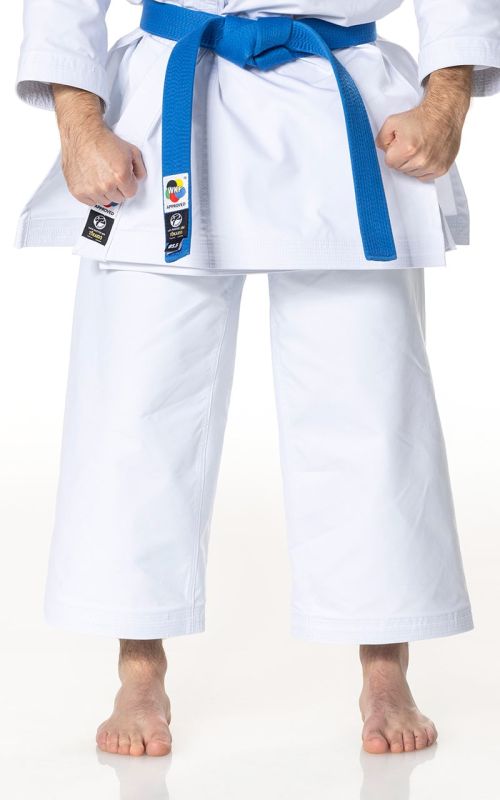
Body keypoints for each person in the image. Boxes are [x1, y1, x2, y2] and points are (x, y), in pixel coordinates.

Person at [14, 0, 499, 757]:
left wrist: (445, 104)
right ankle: (139, 670)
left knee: (372, 407)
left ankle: (385, 670)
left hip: (344, 110)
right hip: (165, 111)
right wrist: (79, 126)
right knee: (136, 408)